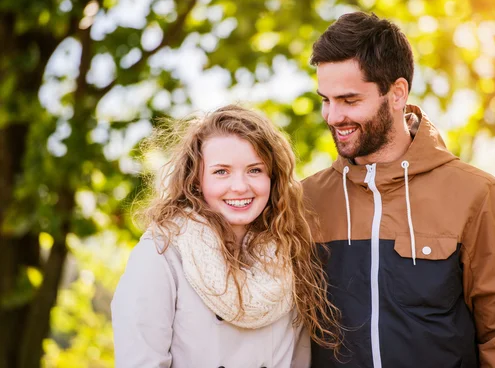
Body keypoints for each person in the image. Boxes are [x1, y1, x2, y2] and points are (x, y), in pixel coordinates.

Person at [302, 12, 495, 367]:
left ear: (397, 93)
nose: (333, 116)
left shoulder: (478, 196)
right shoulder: (303, 201)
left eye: (350, 100)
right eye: (326, 99)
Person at [111, 105, 341, 367]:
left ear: (272, 178)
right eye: (221, 172)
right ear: (197, 180)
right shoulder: (162, 254)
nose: (240, 186)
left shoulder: (290, 255)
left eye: (255, 170)